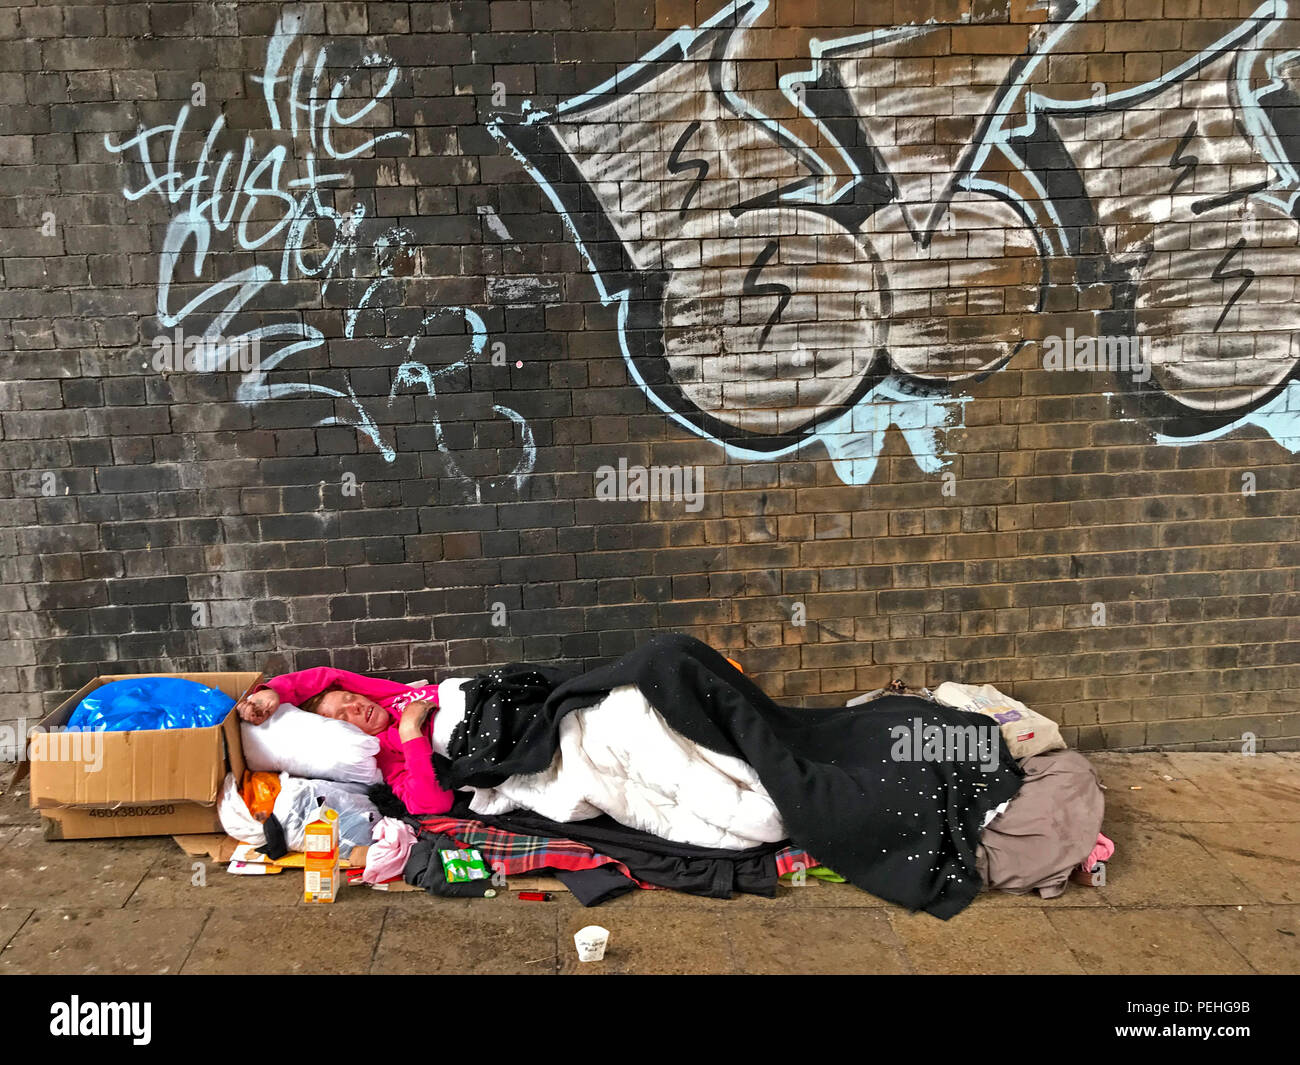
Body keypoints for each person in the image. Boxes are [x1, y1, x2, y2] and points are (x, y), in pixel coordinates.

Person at [234, 667, 454, 815]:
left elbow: (329, 676)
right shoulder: (383, 752)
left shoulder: (384, 698)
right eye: (344, 716)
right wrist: (410, 731)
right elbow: (433, 803)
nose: (355, 707)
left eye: (351, 698)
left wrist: (274, 691)